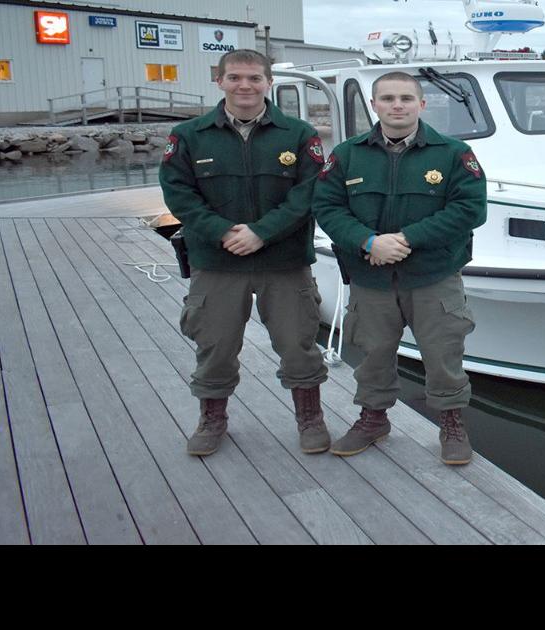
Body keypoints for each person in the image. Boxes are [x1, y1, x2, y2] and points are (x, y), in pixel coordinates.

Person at [159, 49, 330, 456]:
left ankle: (310, 418)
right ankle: (212, 419)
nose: (245, 86)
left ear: (269, 82)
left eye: (254, 78)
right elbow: (178, 194)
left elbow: (308, 194)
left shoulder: (299, 134)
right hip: (218, 261)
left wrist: (261, 233)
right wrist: (222, 232)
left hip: (283, 262)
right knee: (214, 345)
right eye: (235, 77)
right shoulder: (189, 135)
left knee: (298, 344)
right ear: (219, 81)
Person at [312, 72, 486, 465]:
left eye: (406, 98)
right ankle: (374, 418)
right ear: (374, 105)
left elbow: (470, 209)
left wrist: (404, 239)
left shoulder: (452, 153)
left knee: (443, 353)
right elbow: (326, 207)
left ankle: (451, 422)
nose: (397, 105)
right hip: (371, 277)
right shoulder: (347, 155)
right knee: (373, 352)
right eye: (388, 98)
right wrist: (368, 241)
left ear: (422, 105)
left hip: (433, 276)